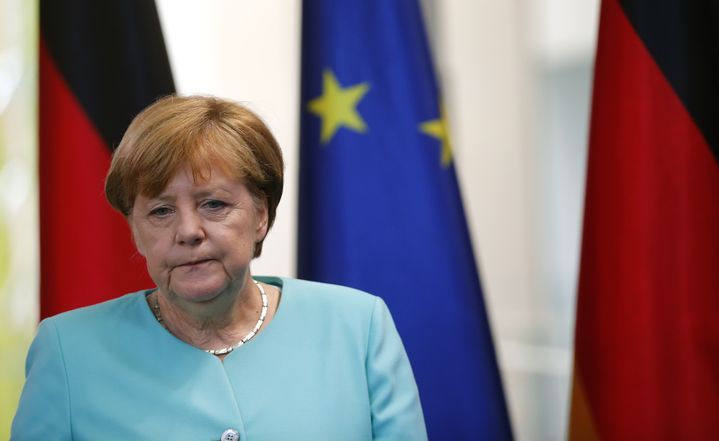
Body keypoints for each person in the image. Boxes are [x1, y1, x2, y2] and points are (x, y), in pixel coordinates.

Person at [11, 95, 427, 440]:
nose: (189, 231)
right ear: (135, 231)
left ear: (260, 214)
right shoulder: (68, 351)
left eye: (214, 204)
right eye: (160, 211)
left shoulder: (357, 327)